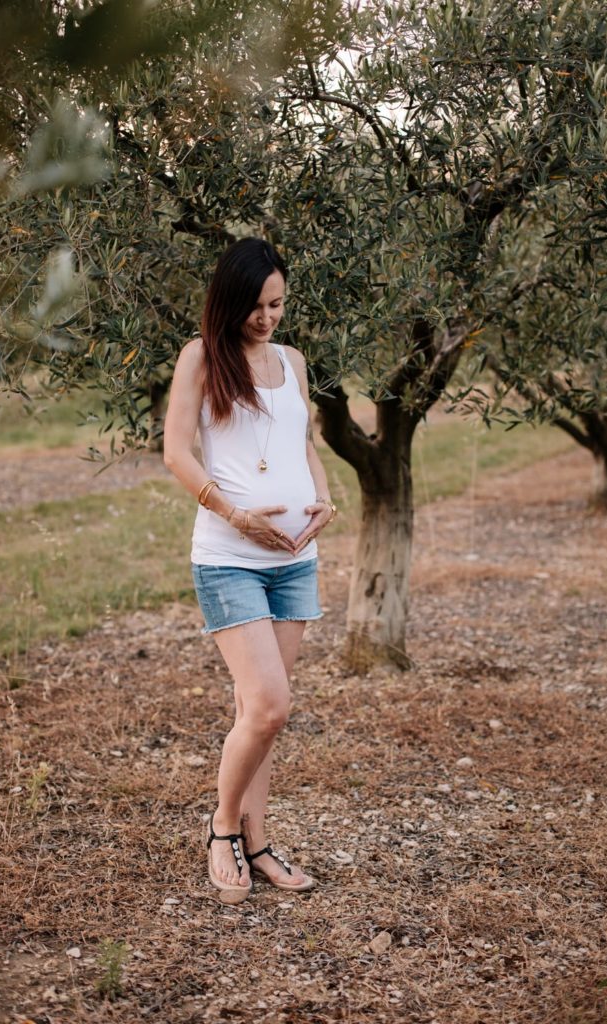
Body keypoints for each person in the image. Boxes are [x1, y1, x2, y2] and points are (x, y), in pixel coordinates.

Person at [163, 238, 336, 901]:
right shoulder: (201, 358)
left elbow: (306, 445)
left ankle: (259, 844)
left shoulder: (291, 360)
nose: (268, 319)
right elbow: (177, 455)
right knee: (268, 704)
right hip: (230, 557)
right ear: (229, 302)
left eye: (278, 304)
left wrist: (322, 500)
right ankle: (222, 828)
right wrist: (237, 516)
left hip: (294, 559)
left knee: (262, 715)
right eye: (257, 307)